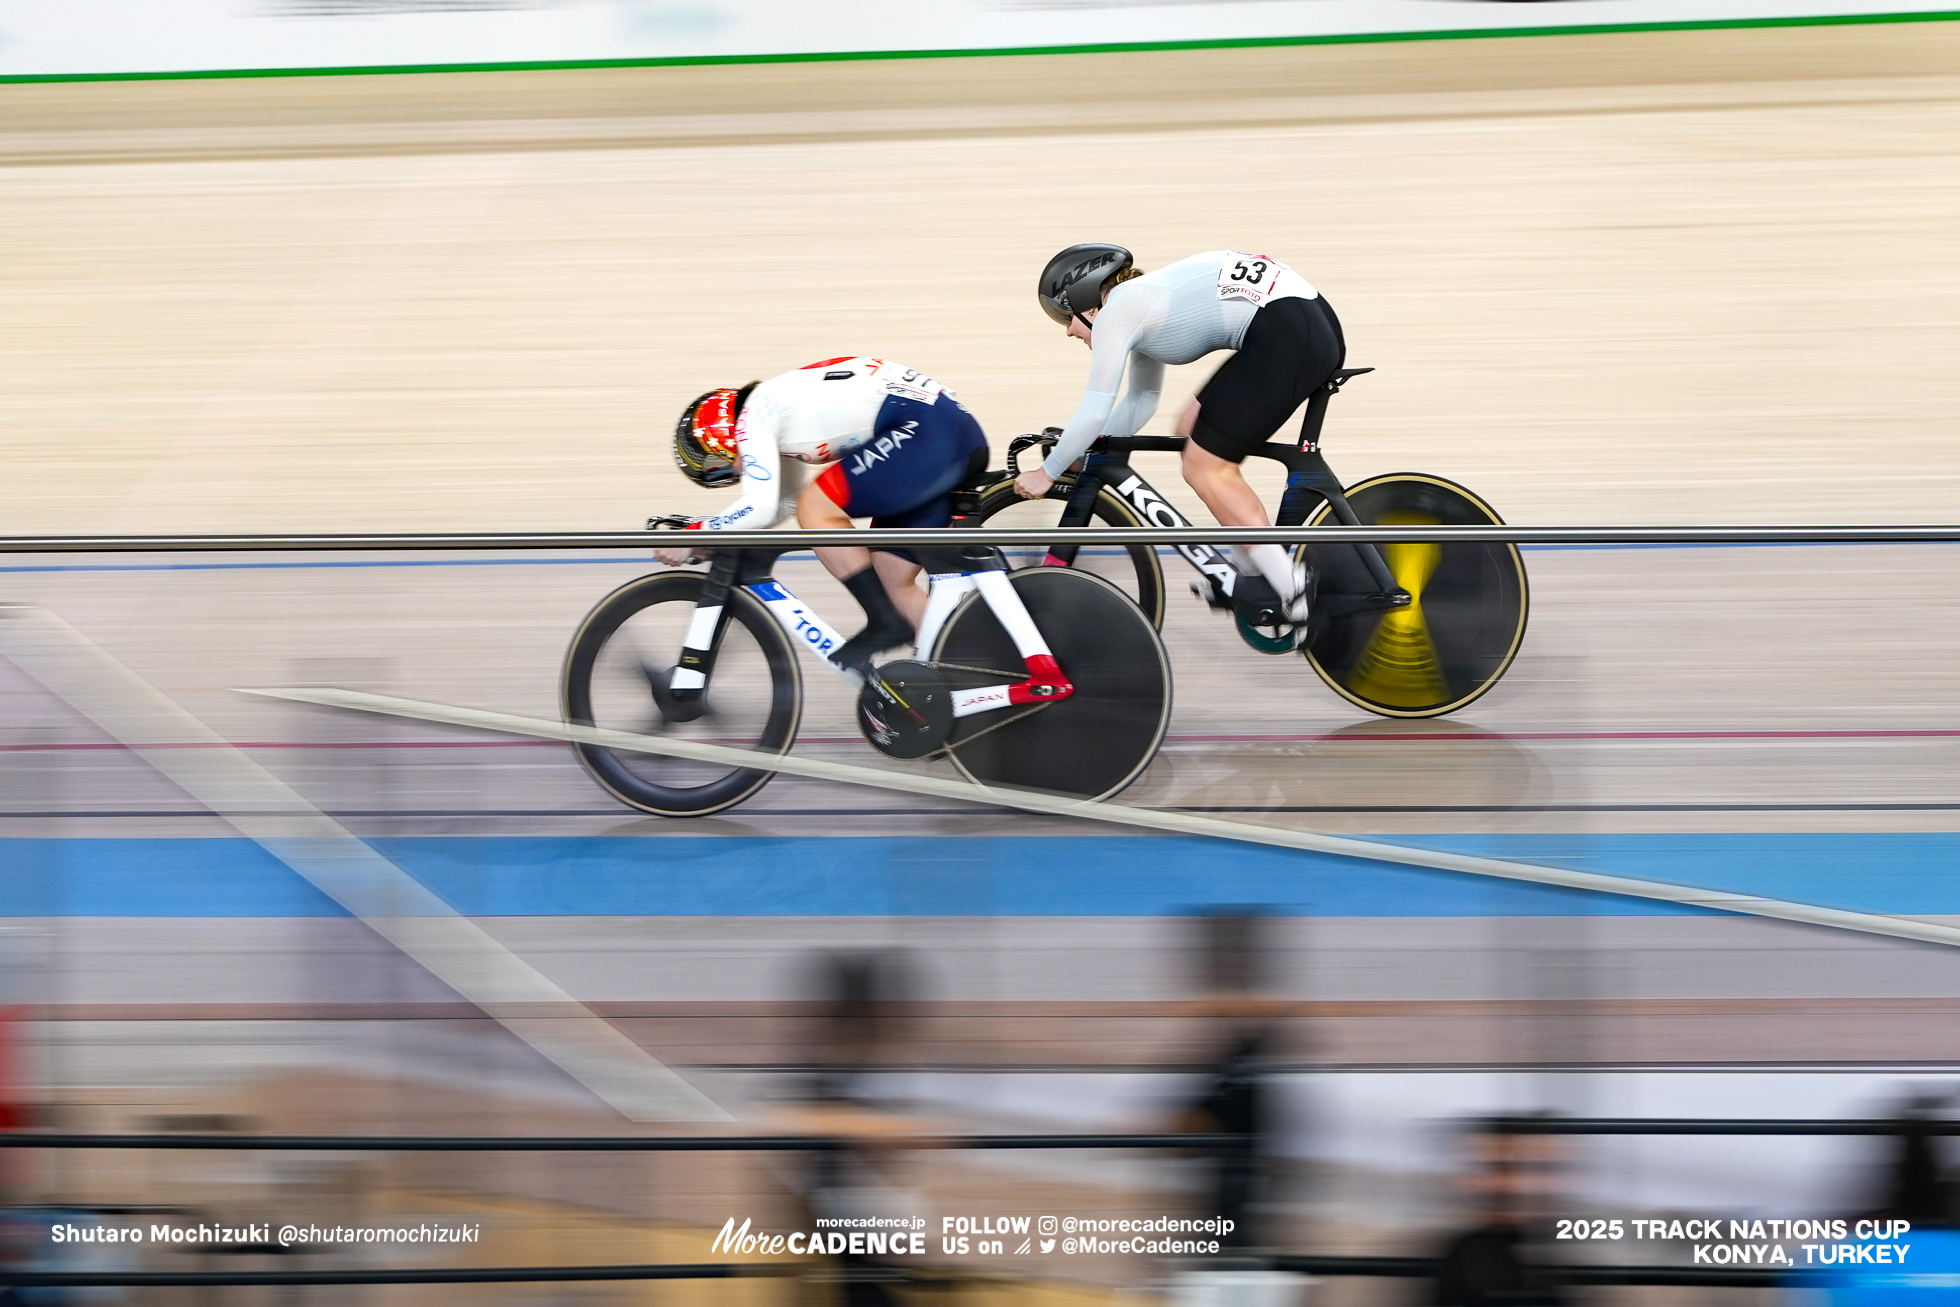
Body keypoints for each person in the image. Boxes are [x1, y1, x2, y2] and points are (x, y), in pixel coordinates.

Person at [1017, 245, 1346, 624]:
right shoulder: (1136, 305)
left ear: (1086, 303)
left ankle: (1292, 587)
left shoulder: (1118, 311)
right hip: (1297, 321)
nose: (1069, 331)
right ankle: (1253, 576)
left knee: (1204, 466)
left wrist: (1049, 473)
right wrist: (1089, 450)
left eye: (1065, 318)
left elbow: (1094, 410)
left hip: (1290, 330)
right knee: (1189, 429)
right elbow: (1142, 399)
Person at [661, 357, 990, 672]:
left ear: (719, 434)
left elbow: (764, 507)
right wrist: (714, 532)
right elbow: (782, 504)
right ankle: (964, 674)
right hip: (946, 430)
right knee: (891, 577)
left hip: (927, 431)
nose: (729, 475)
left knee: (816, 506)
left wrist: (695, 533)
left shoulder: (753, 416)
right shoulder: (775, 408)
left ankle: (884, 621)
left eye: (717, 467)